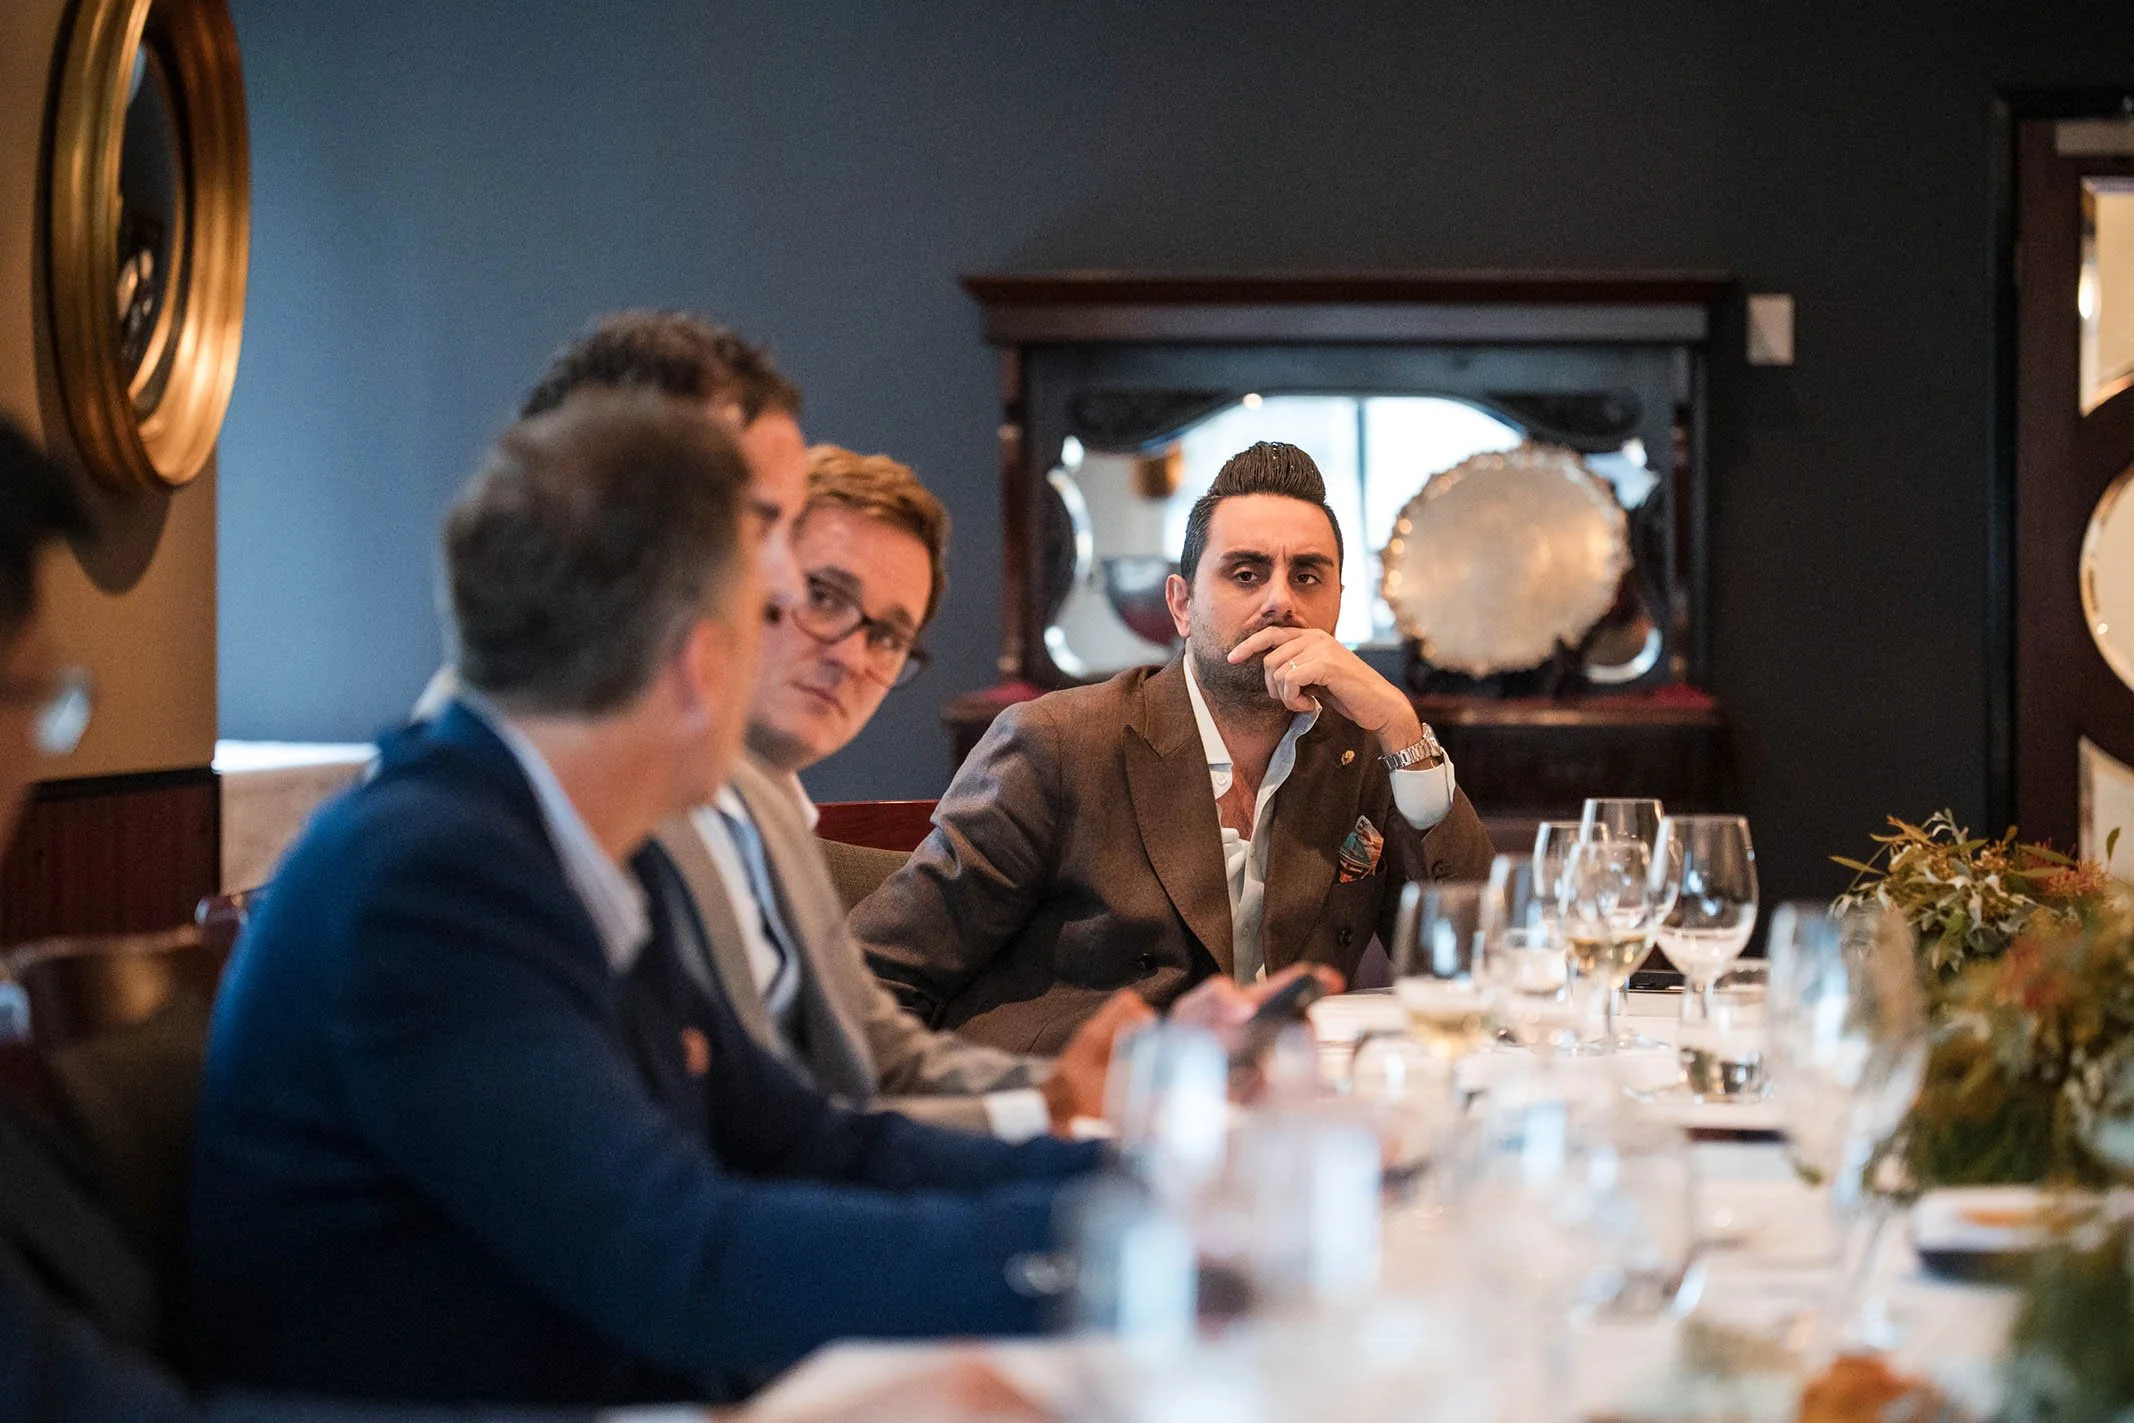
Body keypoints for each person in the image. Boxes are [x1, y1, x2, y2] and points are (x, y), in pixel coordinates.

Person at [186, 394, 1103, 1410]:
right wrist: (1108, 1265)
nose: (811, 654)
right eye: (773, 611)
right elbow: (680, 1258)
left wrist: (1128, 1198)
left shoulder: (577, 848)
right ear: (700, 662)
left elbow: (808, 1138)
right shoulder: (427, 876)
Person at [853, 441, 1497, 1053]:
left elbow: (1477, 967)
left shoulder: (1367, 746)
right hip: (1073, 1114)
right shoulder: (1058, 743)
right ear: (1182, 605)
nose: (1280, 601)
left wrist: (1403, 728)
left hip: (1275, 1114)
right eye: (1246, 573)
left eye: (1308, 577)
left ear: (1337, 605)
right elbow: (871, 982)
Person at [654, 445, 1132, 1137]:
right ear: (749, 576)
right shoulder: (646, 815)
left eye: (886, 634)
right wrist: (1049, 1118)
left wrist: (1087, 1090)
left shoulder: (775, 809)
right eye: (824, 597)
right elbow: (764, 1131)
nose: (850, 654)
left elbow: (880, 1050)